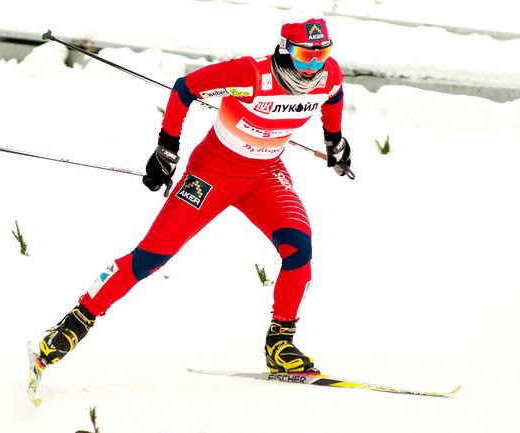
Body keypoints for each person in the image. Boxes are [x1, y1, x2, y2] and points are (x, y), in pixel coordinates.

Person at [35, 17, 351, 376]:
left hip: (265, 175)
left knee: (299, 248)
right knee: (152, 255)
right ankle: (77, 320)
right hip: (212, 174)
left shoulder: (329, 75)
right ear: (284, 49)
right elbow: (185, 89)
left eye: (322, 54)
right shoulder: (249, 74)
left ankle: (281, 342)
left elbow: (334, 96)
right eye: (304, 55)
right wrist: (166, 148)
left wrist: (334, 140)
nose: (313, 65)